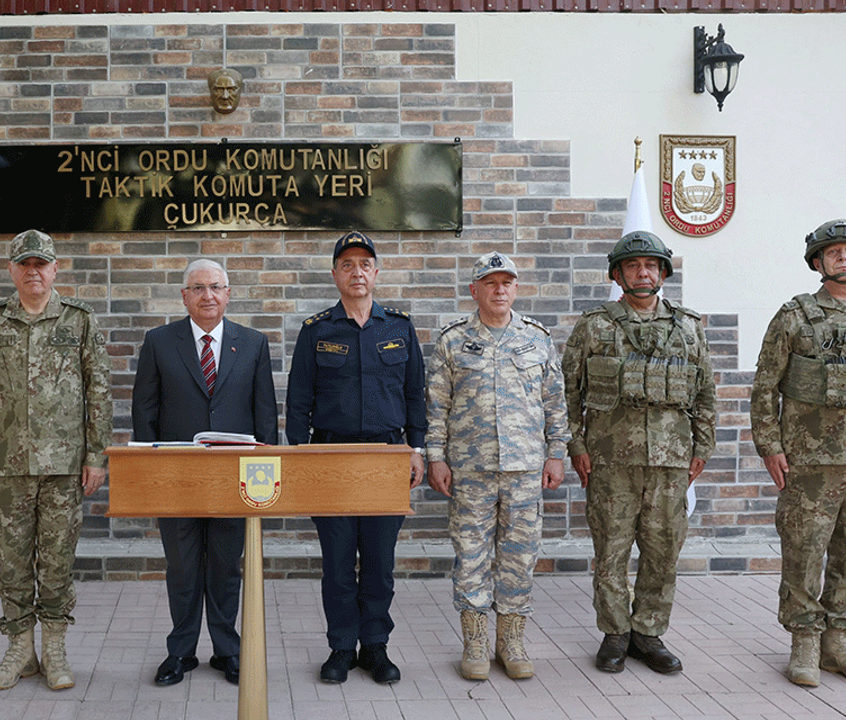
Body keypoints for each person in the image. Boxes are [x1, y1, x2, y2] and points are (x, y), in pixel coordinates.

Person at [0, 229, 112, 691]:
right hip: (7, 465)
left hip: (64, 465)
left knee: (57, 561)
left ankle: (54, 647)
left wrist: (96, 456)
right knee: (12, 563)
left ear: (54, 269)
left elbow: (99, 394)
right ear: (11, 270)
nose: (33, 272)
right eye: (24, 265)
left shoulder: (79, 321)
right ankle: (19, 649)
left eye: (40, 264)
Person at [561, 231, 715, 675]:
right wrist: (575, 445)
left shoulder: (688, 328)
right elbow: (568, 393)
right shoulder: (595, 326)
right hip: (610, 461)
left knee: (663, 550)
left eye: (651, 265)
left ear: (663, 273)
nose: (642, 272)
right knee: (610, 550)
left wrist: (702, 447)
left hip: (671, 462)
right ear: (618, 274)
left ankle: (648, 632)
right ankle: (615, 632)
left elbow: (705, 393)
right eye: (632, 266)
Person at [285, 230, 427, 685]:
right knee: (338, 564)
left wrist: (417, 449)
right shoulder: (317, 330)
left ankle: (376, 648)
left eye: (364, 264)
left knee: (380, 564)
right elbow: (298, 399)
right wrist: (301, 459)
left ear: (376, 273)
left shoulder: (399, 328)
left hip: (387, 459)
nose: (357, 271)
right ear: (335, 275)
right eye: (347, 264)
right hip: (331, 459)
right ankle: (342, 647)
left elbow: (414, 396)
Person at [131, 259, 278, 687]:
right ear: (184, 296)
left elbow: (265, 414)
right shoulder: (159, 342)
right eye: (197, 288)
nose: (207, 296)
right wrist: (150, 475)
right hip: (177, 478)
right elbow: (145, 412)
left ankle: (228, 651)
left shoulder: (252, 343)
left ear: (228, 293)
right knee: (181, 567)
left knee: (226, 567)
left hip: (234, 479)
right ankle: (180, 652)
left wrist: (264, 476)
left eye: (215, 287)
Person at [426, 252, 569, 681]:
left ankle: (510, 640)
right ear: (475, 291)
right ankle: (474, 642)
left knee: (519, 557)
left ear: (516, 289)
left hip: (526, 468)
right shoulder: (452, 341)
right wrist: (435, 456)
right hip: (471, 469)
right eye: (490, 283)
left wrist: (556, 451)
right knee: (470, 556)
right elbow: (436, 406)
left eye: (507, 282)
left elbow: (554, 401)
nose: (499, 289)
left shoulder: (538, 340)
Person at [752, 219, 846, 687]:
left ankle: (838, 641)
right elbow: (765, 387)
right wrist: (770, 447)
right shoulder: (795, 317)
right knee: (805, 553)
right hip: (810, 463)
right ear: (818, 262)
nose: (843, 257)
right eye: (834, 251)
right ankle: (805, 640)